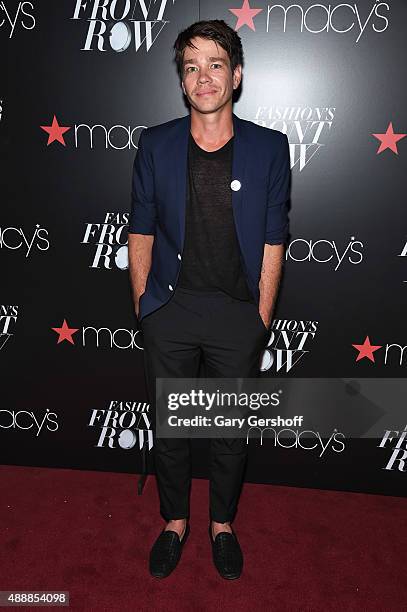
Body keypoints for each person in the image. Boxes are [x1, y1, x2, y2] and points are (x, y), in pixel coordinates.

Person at [128, 19, 290, 580]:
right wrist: (145, 308)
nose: (204, 76)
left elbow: (275, 237)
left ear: (236, 75)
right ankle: (175, 522)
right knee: (170, 432)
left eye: (215, 64)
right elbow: (141, 229)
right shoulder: (155, 143)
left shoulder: (270, 149)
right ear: (182, 81)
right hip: (171, 311)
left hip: (234, 314)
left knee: (229, 433)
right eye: (191, 66)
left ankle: (222, 523)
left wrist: (261, 317)